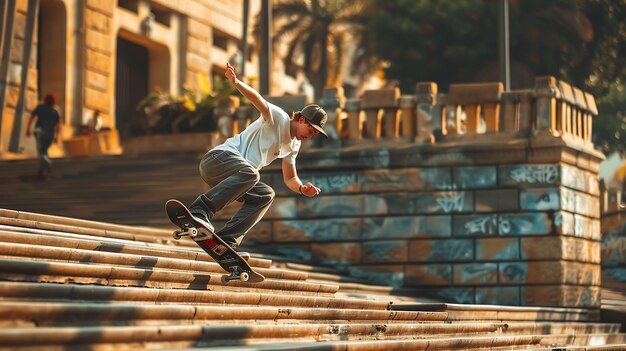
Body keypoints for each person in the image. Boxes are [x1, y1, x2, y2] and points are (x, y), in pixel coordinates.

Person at [187, 62, 328, 257]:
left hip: (235, 178)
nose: (310, 136)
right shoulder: (278, 118)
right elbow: (258, 99)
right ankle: (199, 210)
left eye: (314, 135)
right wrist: (236, 82)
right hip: (217, 160)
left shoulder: (294, 145)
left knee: (266, 194)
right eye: (310, 131)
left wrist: (303, 188)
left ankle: (227, 239)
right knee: (251, 173)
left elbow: (290, 178)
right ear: (302, 119)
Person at [26, 93, 61, 178]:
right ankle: (41, 170)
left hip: (40, 132)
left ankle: (48, 162)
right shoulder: (56, 110)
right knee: (44, 150)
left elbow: (32, 117)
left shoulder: (40, 107)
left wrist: (28, 128)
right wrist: (57, 137)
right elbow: (59, 125)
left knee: (41, 152)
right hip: (50, 134)